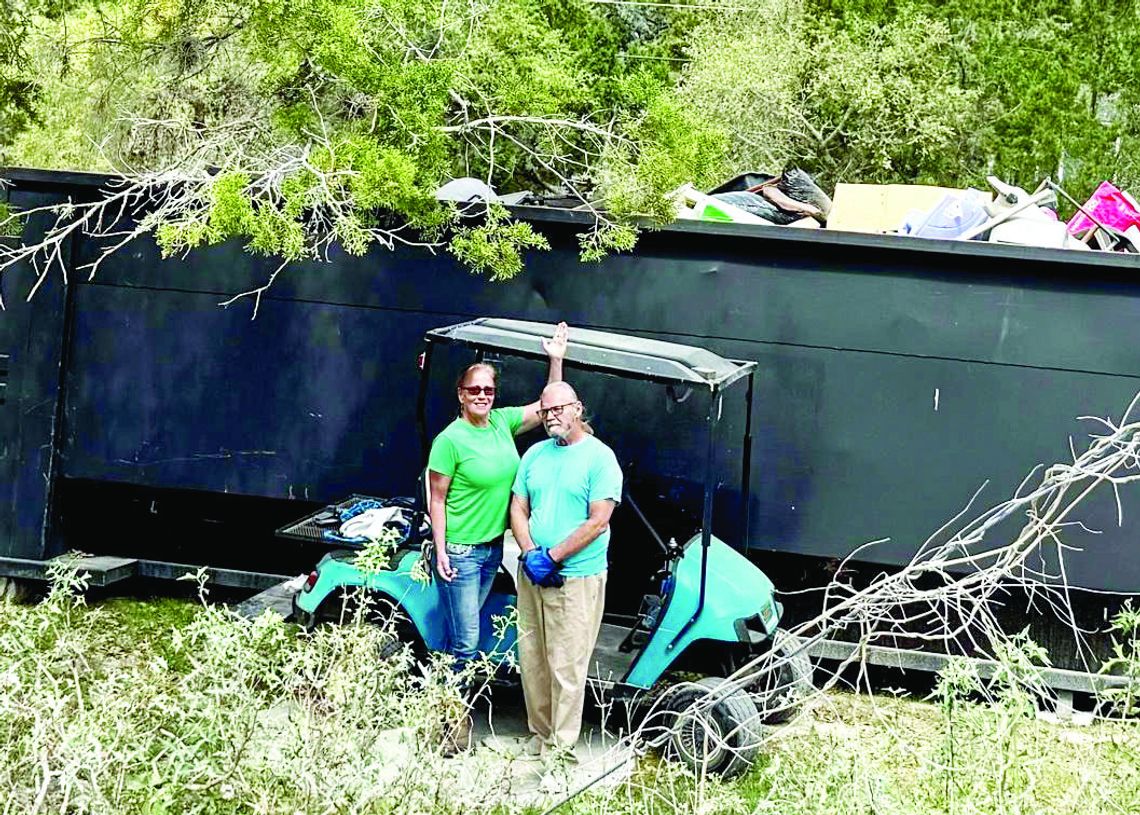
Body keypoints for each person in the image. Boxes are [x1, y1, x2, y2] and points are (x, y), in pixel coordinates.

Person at [426, 322, 568, 751]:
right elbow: (436, 499)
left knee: (462, 640)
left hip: (490, 551)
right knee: (465, 645)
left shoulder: (501, 424)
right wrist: (440, 550)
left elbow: (551, 406)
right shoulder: (449, 440)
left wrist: (555, 358)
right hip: (461, 553)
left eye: (488, 390)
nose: (482, 396)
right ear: (461, 395)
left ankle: (444, 716)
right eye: (474, 391)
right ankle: (449, 730)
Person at [509, 382, 623, 763]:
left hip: (574, 579)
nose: (551, 416)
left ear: (578, 409)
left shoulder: (600, 459)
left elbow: (598, 522)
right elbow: (518, 507)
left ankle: (560, 750)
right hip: (533, 574)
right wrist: (529, 554)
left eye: (558, 409)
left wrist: (553, 557)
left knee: (567, 666)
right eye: (544, 411)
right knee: (533, 660)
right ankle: (539, 736)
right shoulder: (535, 455)